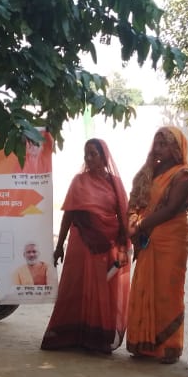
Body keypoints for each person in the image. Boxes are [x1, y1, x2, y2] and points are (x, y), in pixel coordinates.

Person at [42, 139, 131, 353]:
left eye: (93, 154)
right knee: (75, 285)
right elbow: (69, 215)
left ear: (104, 156)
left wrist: (124, 246)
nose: (89, 158)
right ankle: (70, 334)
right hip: (80, 243)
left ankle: (98, 337)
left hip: (106, 245)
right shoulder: (79, 181)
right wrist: (59, 246)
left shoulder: (115, 183)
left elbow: (124, 216)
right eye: (86, 154)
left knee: (102, 289)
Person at [125, 126, 188, 362]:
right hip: (149, 237)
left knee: (168, 291)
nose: (158, 149)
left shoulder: (184, 175)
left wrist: (140, 225)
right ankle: (143, 344)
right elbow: (137, 200)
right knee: (144, 287)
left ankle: (169, 346)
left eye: (164, 144)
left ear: (176, 148)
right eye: (156, 143)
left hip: (171, 240)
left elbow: (171, 209)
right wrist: (133, 219)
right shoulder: (150, 171)